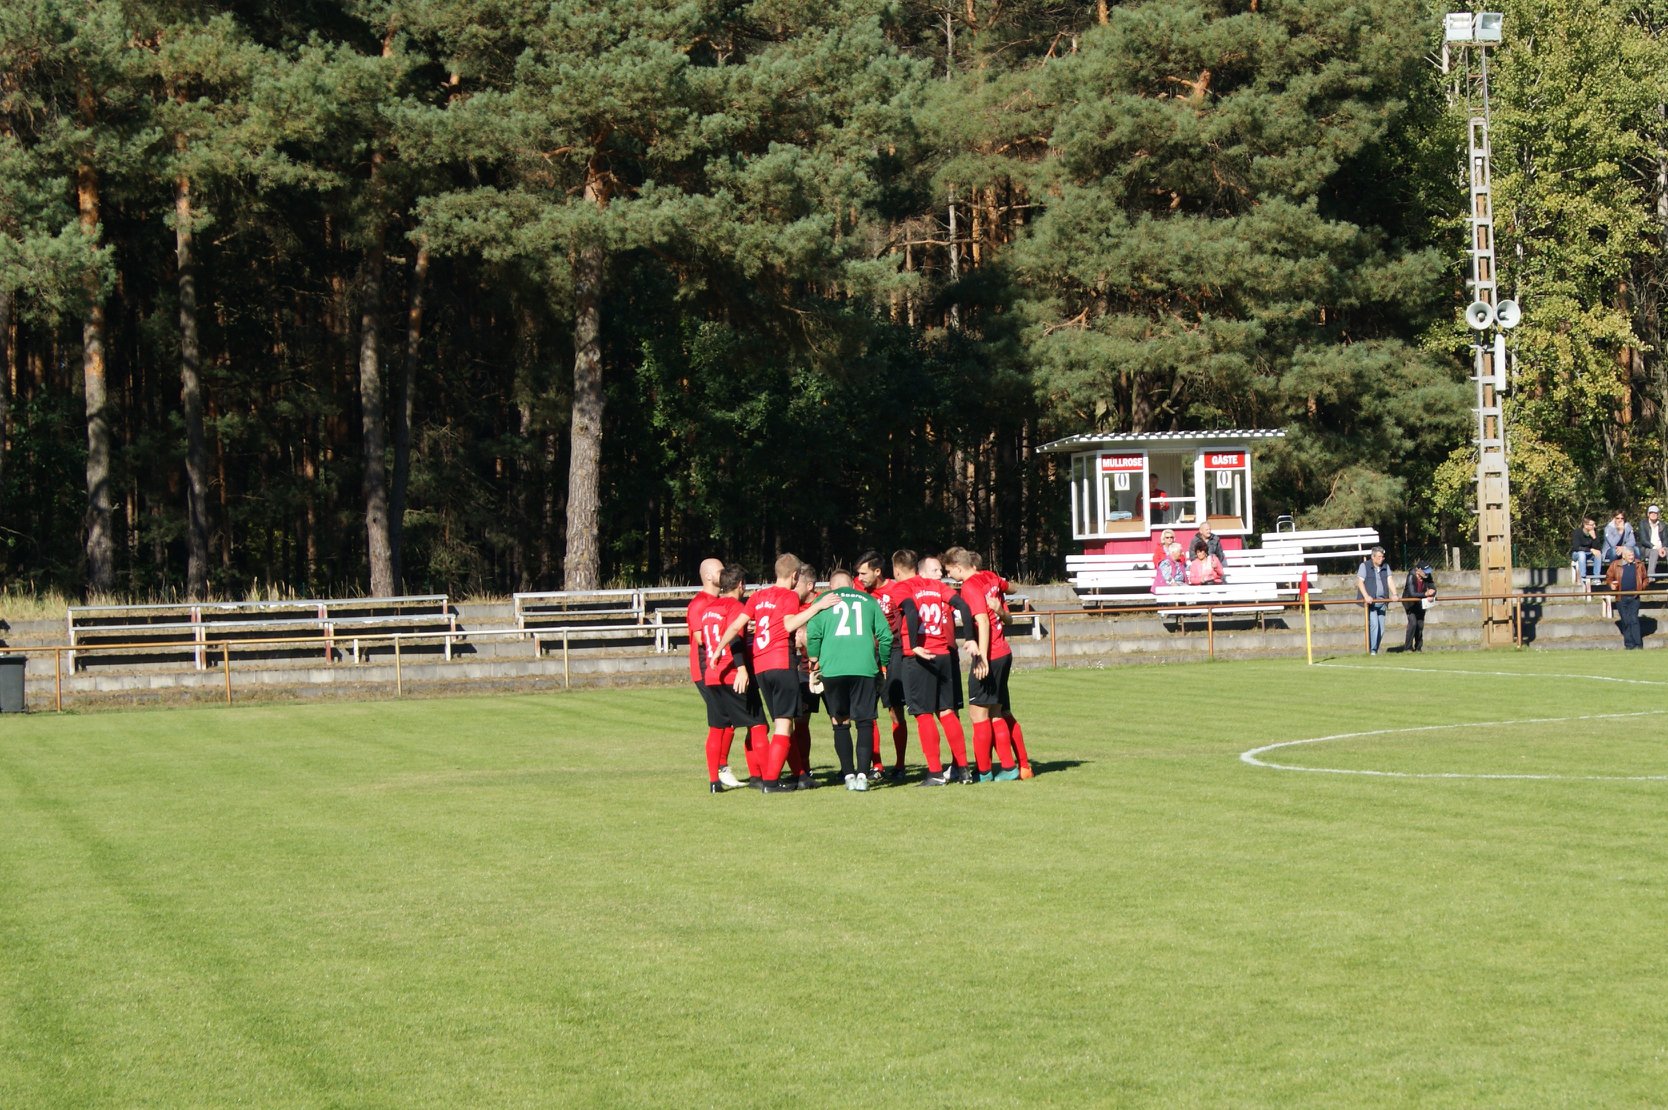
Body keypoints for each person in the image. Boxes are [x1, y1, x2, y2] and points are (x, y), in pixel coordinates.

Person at [711, 553, 835, 793]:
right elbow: (789, 625)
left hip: (761, 667)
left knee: (781, 722)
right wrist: (818, 607)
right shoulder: (788, 596)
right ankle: (770, 781)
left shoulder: (758, 596)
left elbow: (736, 625)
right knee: (784, 725)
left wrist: (718, 649)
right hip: (781, 663)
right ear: (795, 575)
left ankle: (800, 776)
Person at [943, 548, 1031, 781]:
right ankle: (1010, 768)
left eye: (949, 570)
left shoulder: (970, 586)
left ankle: (984, 772)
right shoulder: (991, 577)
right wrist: (1001, 596)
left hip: (990, 655)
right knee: (996, 713)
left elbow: (982, 620)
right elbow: (1012, 588)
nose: (948, 574)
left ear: (959, 567)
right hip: (1003, 652)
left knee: (978, 715)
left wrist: (981, 656)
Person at [895, 550, 980, 785]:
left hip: (921, 656)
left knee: (923, 714)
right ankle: (963, 769)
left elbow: (911, 611)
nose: (940, 573)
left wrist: (913, 645)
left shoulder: (904, 587)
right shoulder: (939, 587)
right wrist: (970, 637)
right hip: (945, 654)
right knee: (947, 711)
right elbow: (962, 605)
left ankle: (934, 772)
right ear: (921, 569)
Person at [804, 569, 892, 791]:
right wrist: (883, 662)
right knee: (864, 721)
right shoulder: (868, 599)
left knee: (840, 722)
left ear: (832, 586)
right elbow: (886, 636)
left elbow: (813, 634)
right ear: (852, 586)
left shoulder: (823, 600)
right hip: (864, 667)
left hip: (833, 668)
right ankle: (863, 774)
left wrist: (814, 659)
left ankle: (848, 775)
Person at [698, 565, 769, 791]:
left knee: (717, 728)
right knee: (758, 725)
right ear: (740, 585)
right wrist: (742, 669)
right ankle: (765, 777)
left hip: (712, 675)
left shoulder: (709, 609)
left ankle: (713, 781)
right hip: (731, 673)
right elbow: (735, 639)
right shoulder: (737, 606)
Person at [686, 557, 743, 791]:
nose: (725, 573)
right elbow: (701, 638)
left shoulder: (719, 601)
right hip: (706, 669)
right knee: (722, 722)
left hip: (720, 667)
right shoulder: (700, 603)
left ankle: (721, 769)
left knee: (727, 721)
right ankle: (720, 768)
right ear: (709, 576)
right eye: (721, 571)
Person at [863, 550, 915, 781]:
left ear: (877, 571)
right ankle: (877, 765)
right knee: (866, 711)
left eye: (864, 573)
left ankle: (900, 764)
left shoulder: (895, 589)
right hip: (865, 653)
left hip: (893, 651)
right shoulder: (859, 589)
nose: (861, 577)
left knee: (894, 709)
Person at [1356, 546, 1393, 656]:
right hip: (1370, 603)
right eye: (1379, 556)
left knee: (1381, 629)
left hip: (1382, 602)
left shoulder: (1386, 567)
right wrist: (1366, 596)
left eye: (1382, 556)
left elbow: (1390, 580)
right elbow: (1360, 582)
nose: (1382, 559)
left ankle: (1374, 649)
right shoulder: (1364, 566)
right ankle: (1372, 651)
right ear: (1373, 557)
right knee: (1374, 625)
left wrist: (1394, 594)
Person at [1607, 545, 1645, 649]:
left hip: (1634, 597)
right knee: (1625, 620)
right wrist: (1611, 584)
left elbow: (1645, 578)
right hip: (1621, 598)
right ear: (1623, 556)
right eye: (1629, 555)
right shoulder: (1615, 565)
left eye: (1632, 555)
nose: (1632, 557)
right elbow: (1609, 577)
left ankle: (1638, 644)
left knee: (1634, 619)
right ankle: (1629, 645)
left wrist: (1641, 587)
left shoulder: (1639, 564)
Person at [1402, 562, 1436, 653]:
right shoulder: (1411, 576)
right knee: (1413, 623)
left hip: (1421, 603)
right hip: (1410, 603)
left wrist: (1432, 593)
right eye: (1425, 571)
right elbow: (1412, 593)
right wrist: (1425, 594)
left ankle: (1418, 648)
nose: (1427, 573)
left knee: (1420, 625)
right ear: (1418, 570)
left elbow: (1433, 588)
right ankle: (1408, 648)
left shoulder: (1428, 576)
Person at [1570, 517, 1603, 582]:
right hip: (1577, 553)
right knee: (1582, 554)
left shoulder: (1595, 532)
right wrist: (1590, 550)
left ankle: (1596, 578)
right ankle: (1583, 578)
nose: (1594, 526)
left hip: (1589, 554)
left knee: (1598, 554)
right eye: (1592, 525)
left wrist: (1594, 538)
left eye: (1594, 524)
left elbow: (1598, 548)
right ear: (1585, 525)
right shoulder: (1577, 532)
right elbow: (1576, 547)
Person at [1642, 505, 1667, 580]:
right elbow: (1643, 540)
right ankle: (1650, 577)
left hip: (1661, 548)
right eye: (1651, 513)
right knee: (1654, 552)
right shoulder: (1643, 524)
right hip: (1648, 548)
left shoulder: (1663, 525)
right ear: (1648, 514)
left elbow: (1666, 539)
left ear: (1658, 514)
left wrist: (1663, 548)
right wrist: (1655, 548)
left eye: (1655, 513)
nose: (1653, 514)